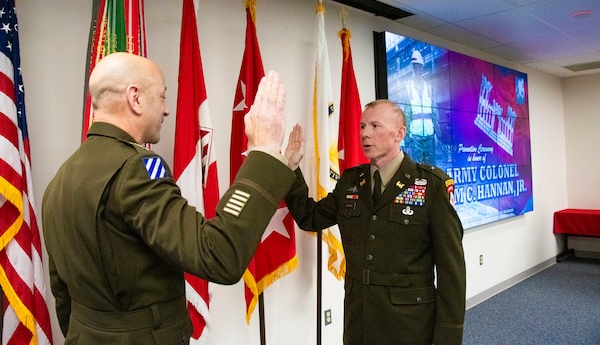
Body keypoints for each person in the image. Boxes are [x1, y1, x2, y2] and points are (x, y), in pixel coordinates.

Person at [42, 52, 296, 344]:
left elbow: (64, 298)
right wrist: (263, 150)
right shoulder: (135, 169)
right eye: (162, 97)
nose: (166, 110)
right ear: (135, 98)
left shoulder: (59, 181)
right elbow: (218, 255)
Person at [284, 99, 466, 345]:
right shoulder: (350, 182)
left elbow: (451, 271)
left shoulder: (431, 186)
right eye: (362, 126)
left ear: (399, 133)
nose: (365, 134)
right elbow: (310, 217)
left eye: (375, 126)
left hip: (410, 325)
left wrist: (448, 337)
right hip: (359, 321)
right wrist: (292, 168)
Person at [404, 49, 437, 165]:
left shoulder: (429, 87)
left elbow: (433, 111)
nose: (418, 69)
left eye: (419, 66)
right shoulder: (408, 88)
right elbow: (407, 113)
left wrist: (436, 130)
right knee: (417, 168)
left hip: (429, 135)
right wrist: (407, 135)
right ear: (413, 68)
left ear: (422, 67)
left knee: (431, 168)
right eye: (416, 66)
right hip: (416, 136)